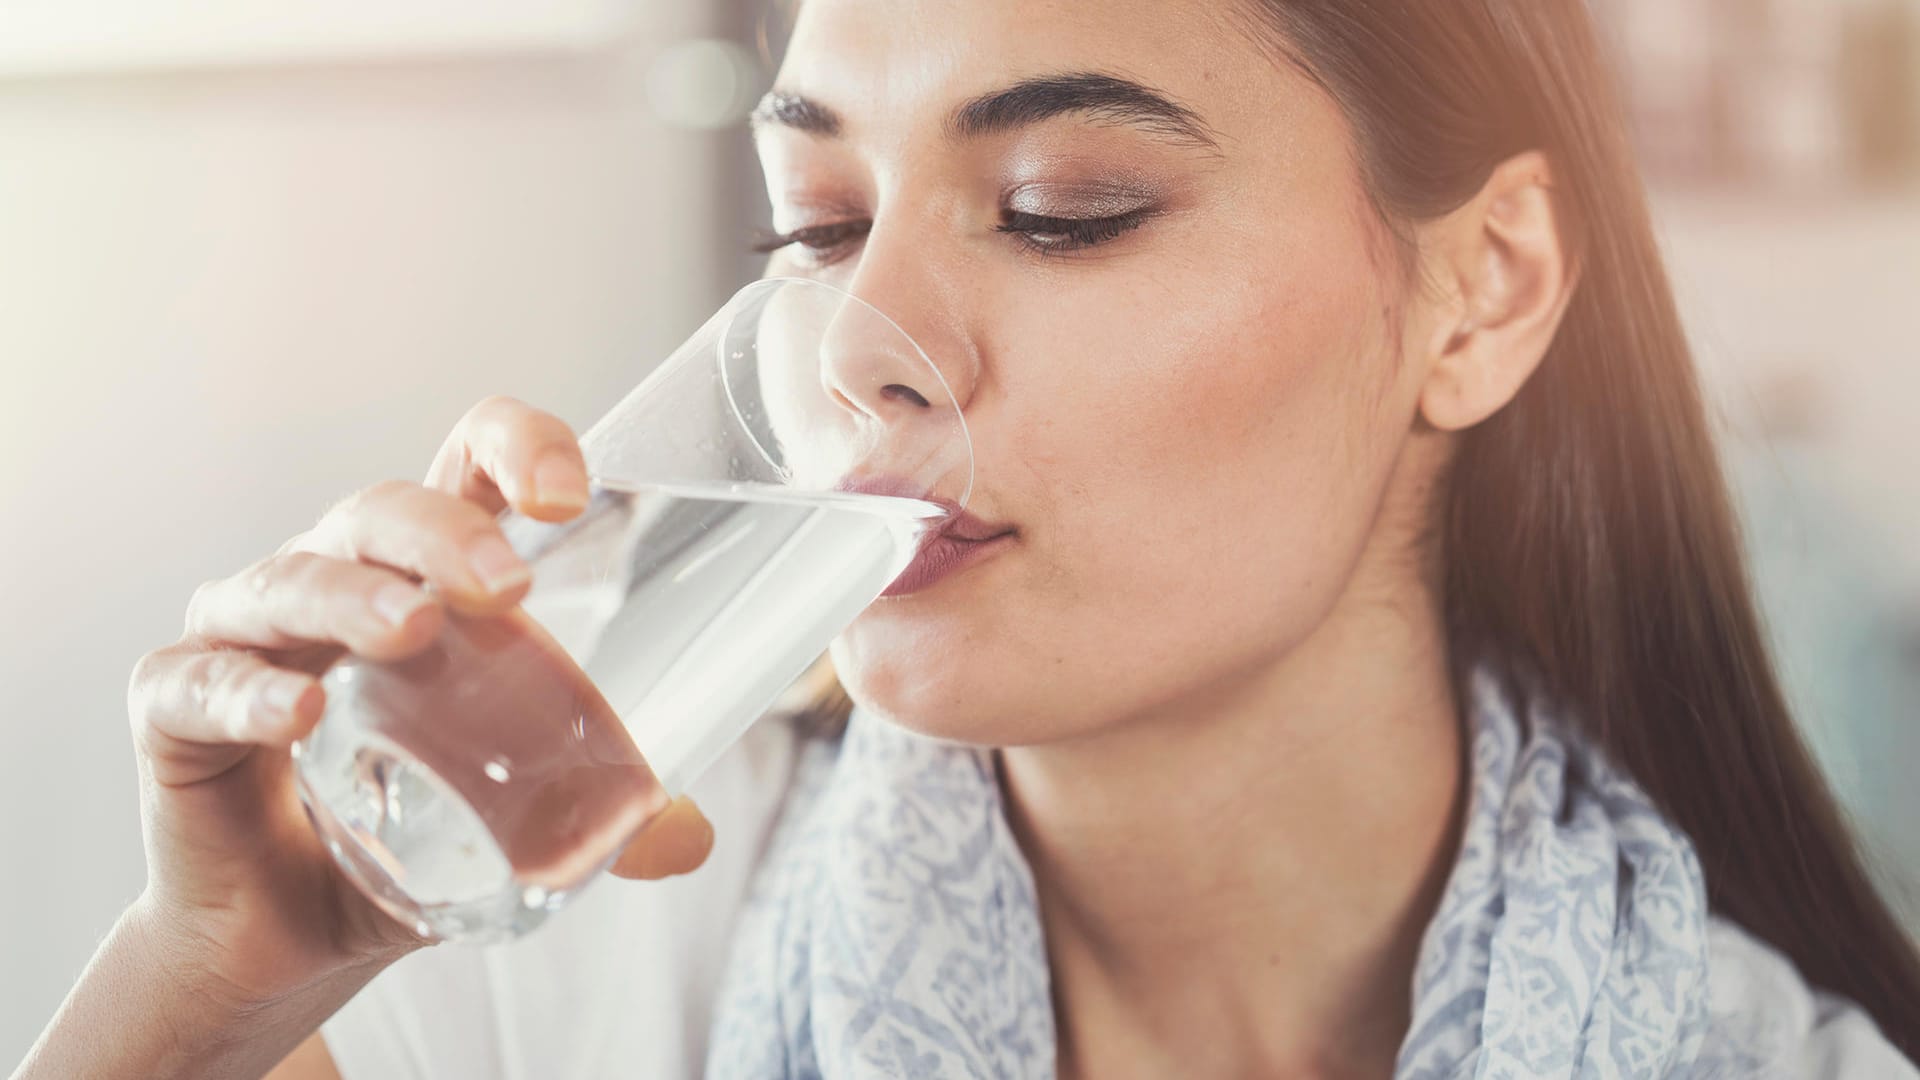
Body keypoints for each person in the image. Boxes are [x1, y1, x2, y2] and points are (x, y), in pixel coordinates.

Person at [17, 0, 1920, 1076]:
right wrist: (215, 975)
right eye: (820, 227)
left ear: (1480, 292)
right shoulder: (560, 977)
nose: (857, 351)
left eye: (1063, 206)